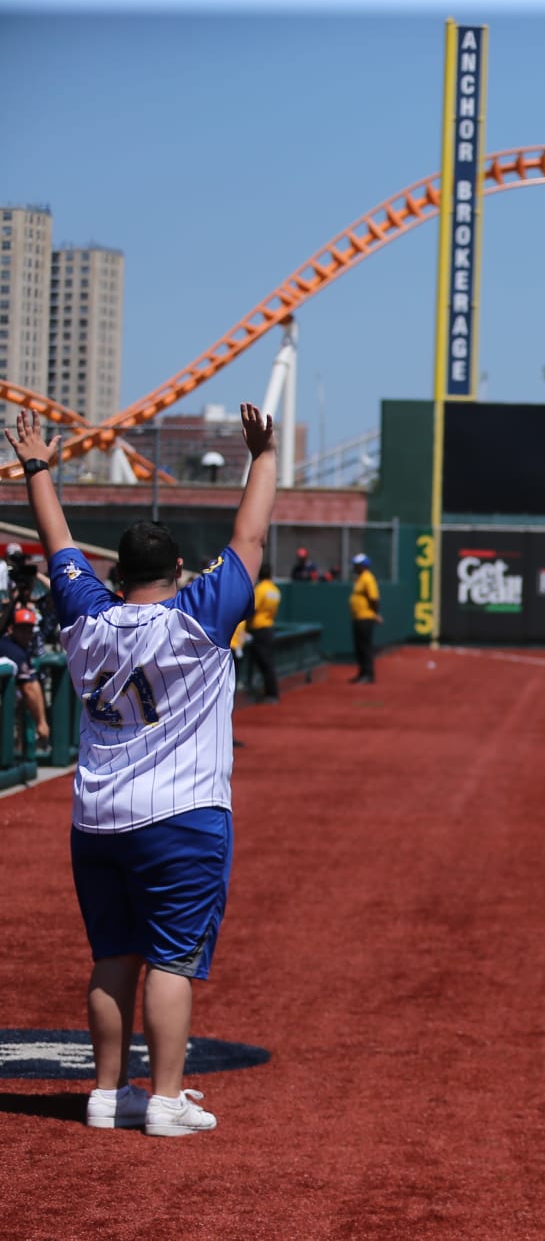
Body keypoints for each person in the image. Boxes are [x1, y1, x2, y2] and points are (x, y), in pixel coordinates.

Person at [5, 400, 275, 1138]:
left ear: (118, 572)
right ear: (179, 571)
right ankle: (163, 1099)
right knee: (172, 963)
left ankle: (104, 1093)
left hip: (96, 821)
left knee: (111, 959)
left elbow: (57, 540)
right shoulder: (199, 618)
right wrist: (265, 456)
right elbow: (249, 536)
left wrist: (37, 468)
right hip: (182, 819)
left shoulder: (85, 614)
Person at [0, 605, 52, 753]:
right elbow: (29, 689)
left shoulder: (21, 649)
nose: (26, 634)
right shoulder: (12, 649)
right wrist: (41, 723)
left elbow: (32, 685)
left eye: (29, 629)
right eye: (22, 629)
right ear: (11, 629)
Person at [242, 561, 282, 703]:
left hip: (259, 629)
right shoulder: (274, 590)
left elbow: (253, 609)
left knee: (264, 662)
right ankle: (270, 691)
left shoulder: (260, 589)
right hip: (269, 627)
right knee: (268, 661)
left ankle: (271, 694)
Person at [348, 553, 380, 685]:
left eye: (357, 565)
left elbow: (374, 599)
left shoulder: (368, 578)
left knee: (365, 647)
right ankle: (362, 673)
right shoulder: (359, 579)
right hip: (357, 617)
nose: (355, 567)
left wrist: (374, 614)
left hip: (365, 618)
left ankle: (368, 674)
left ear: (364, 566)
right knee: (359, 647)